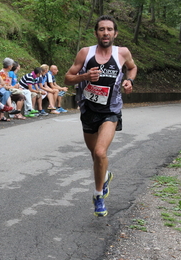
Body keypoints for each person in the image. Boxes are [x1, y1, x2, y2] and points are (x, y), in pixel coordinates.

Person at [64, 15, 137, 217]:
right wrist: (85, 76)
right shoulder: (85, 53)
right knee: (96, 157)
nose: (106, 33)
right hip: (88, 110)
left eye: (109, 29)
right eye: (102, 29)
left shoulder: (121, 53)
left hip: (110, 110)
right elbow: (68, 78)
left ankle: (98, 196)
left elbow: (132, 68)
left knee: (99, 152)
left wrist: (129, 81)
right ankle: (105, 175)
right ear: (96, 32)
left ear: (115, 33)